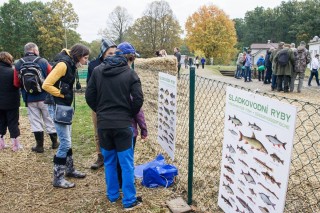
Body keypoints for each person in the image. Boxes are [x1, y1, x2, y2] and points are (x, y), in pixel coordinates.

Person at [85, 42, 143, 210]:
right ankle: (129, 200)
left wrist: (100, 111)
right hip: (123, 125)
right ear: (130, 58)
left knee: (109, 161)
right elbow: (138, 99)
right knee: (126, 164)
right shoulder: (131, 74)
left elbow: (89, 96)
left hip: (103, 125)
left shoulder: (97, 71)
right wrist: (128, 114)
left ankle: (112, 195)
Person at [42, 44, 90, 188]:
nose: (86, 61)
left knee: (67, 139)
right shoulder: (63, 64)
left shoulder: (71, 63)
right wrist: (61, 93)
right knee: (65, 142)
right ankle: (58, 178)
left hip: (63, 105)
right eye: (85, 58)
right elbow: (46, 84)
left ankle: (69, 169)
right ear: (78, 55)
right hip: (57, 105)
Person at [14, 42, 58, 153]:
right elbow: (52, 76)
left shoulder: (18, 63)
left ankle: (39, 146)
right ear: (34, 50)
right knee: (48, 119)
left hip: (29, 97)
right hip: (45, 97)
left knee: (35, 121)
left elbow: (16, 83)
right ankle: (54, 143)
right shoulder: (43, 61)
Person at [87, 38, 117, 170]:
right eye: (110, 53)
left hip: (114, 103)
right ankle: (100, 156)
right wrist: (96, 106)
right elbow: (90, 87)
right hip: (98, 104)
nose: (112, 56)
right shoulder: (93, 65)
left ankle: (114, 155)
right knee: (98, 130)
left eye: (114, 53)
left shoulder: (118, 63)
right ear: (103, 52)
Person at [0, 52, 22, 151]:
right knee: (13, 123)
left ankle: (1, 144)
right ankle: (15, 145)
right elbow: (17, 85)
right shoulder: (12, 72)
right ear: (9, 60)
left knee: (0, 122)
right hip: (12, 102)